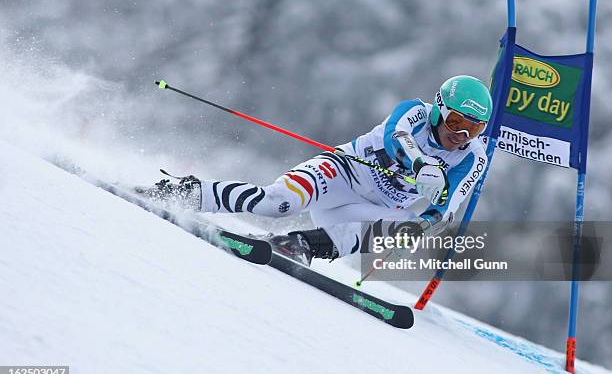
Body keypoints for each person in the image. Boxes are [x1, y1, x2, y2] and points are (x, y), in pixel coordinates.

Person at [142, 75, 491, 265]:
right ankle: (188, 192)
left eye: (473, 129)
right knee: (277, 203)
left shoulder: (471, 157)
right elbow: (395, 136)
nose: (459, 135)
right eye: (456, 121)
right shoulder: (414, 112)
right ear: (439, 109)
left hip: (368, 209)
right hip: (341, 173)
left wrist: (423, 224)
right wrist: (421, 165)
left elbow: (445, 208)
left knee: (396, 227)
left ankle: (299, 246)